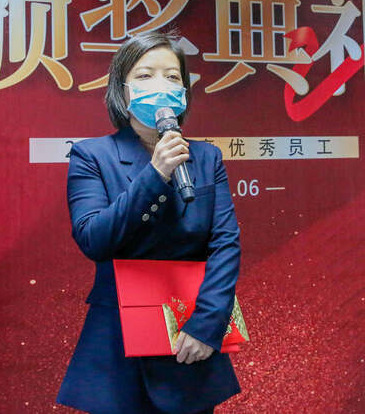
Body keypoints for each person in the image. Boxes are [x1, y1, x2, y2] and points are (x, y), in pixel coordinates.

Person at [56, 32, 242, 414]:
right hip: (118, 349)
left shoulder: (206, 158)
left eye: (172, 77)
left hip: (190, 341)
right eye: (145, 75)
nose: (161, 85)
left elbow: (225, 245)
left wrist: (207, 325)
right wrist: (156, 173)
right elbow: (94, 239)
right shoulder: (91, 155)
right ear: (121, 90)